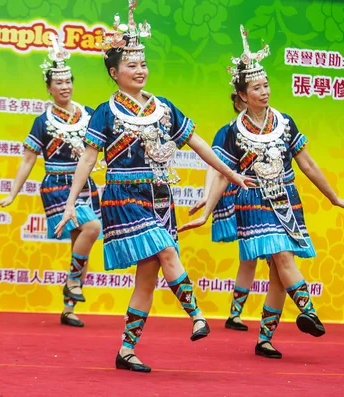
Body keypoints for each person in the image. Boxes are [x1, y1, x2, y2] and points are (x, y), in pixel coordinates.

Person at [55, 1, 253, 373]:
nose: (140, 70)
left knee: (147, 277)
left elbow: (198, 145)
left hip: (161, 197)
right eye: (131, 65)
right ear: (114, 73)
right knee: (165, 251)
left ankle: (126, 350)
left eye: (143, 64)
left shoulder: (164, 108)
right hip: (124, 197)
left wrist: (231, 173)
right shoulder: (106, 111)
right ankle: (196, 314)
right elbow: (86, 159)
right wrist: (70, 204)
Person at [180, 25, 344, 359]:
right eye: (256, 88)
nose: (264, 92)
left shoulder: (285, 123)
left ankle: (265, 339)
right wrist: (206, 211)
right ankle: (308, 310)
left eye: (266, 86)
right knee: (281, 254)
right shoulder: (233, 132)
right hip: (253, 200)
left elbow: (307, 165)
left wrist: (333, 197)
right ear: (242, 96)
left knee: (279, 272)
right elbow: (222, 175)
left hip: (286, 200)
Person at [0, 34, 102, 328]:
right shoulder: (43, 121)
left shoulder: (88, 115)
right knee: (91, 227)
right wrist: (13, 192)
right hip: (56, 185)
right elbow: (28, 159)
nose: (65, 87)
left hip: (84, 185)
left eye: (68, 82)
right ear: (49, 88)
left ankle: (69, 306)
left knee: (83, 241)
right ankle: (72, 283)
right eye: (59, 83)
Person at [189, 94, 256, 331]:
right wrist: (208, 196)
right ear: (239, 103)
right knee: (251, 255)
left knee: (265, 257)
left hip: (266, 200)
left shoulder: (276, 127)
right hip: (241, 197)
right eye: (254, 91)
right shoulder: (228, 131)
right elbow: (215, 167)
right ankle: (235, 314)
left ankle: (240, 315)